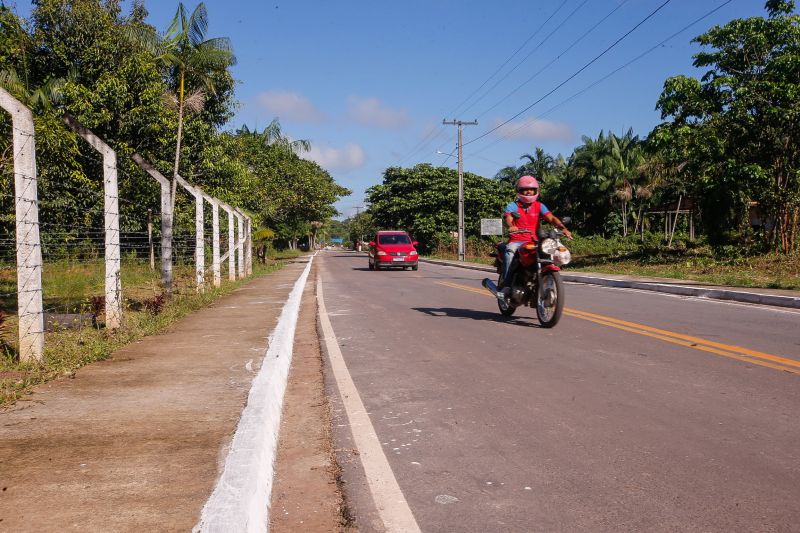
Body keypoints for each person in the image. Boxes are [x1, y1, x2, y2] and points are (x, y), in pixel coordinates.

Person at [498, 175, 572, 301]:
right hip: (517, 239)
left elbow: (551, 218)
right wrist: (511, 226)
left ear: (536, 191)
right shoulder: (513, 205)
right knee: (509, 252)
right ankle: (506, 285)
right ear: (519, 191)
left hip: (535, 240)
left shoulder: (539, 206)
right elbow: (508, 218)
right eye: (525, 189)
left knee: (550, 253)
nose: (528, 192)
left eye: (531, 189)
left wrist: (562, 228)